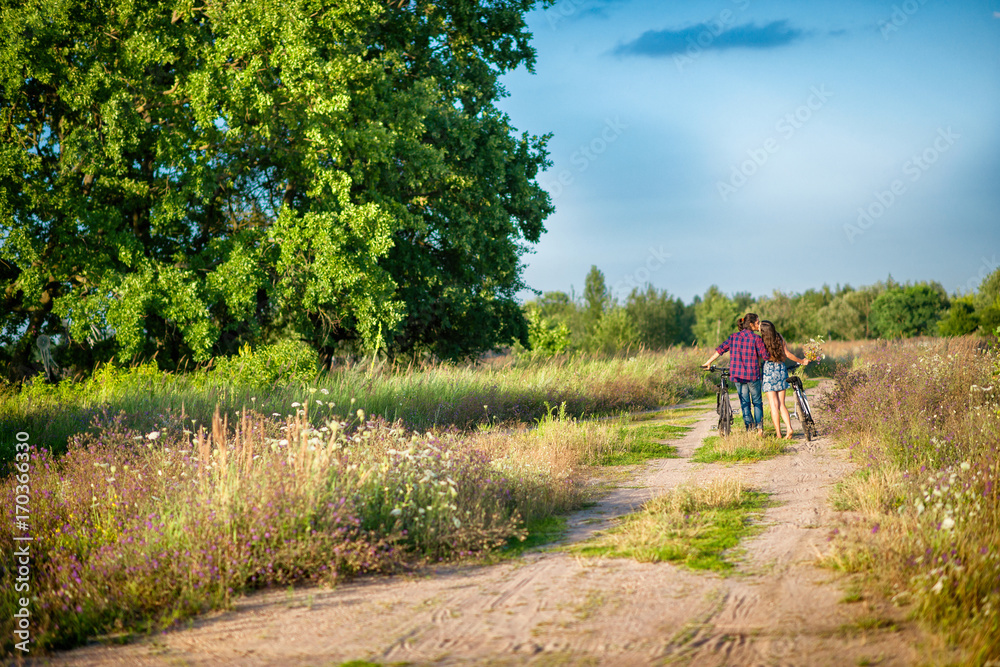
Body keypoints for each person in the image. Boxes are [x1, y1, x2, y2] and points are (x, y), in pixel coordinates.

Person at [701, 313, 769, 435]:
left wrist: (709, 362)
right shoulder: (756, 339)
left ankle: (750, 429)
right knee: (757, 402)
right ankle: (760, 430)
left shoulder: (734, 337)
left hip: (737, 376)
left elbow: (720, 349)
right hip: (753, 376)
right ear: (752, 324)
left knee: (745, 403)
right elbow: (765, 356)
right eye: (758, 323)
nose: (759, 325)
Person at [759, 320, 809, 439]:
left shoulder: (761, 340)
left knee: (773, 405)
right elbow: (787, 354)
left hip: (769, 370)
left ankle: (778, 434)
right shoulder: (779, 337)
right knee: (782, 404)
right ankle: (789, 428)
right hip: (781, 369)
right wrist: (801, 361)